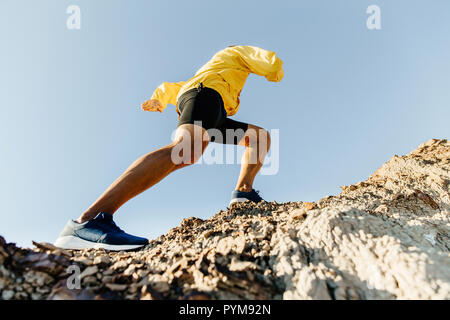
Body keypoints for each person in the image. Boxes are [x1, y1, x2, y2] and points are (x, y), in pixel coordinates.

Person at [54, 45, 284, 250]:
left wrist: (159, 100)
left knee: (259, 137)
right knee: (183, 150)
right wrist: (276, 70)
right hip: (206, 97)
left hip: (214, 107)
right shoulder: (232, 53)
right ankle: (88, 221)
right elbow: (265, 59)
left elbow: (171, 88)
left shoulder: (202, 77)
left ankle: (244, 192)